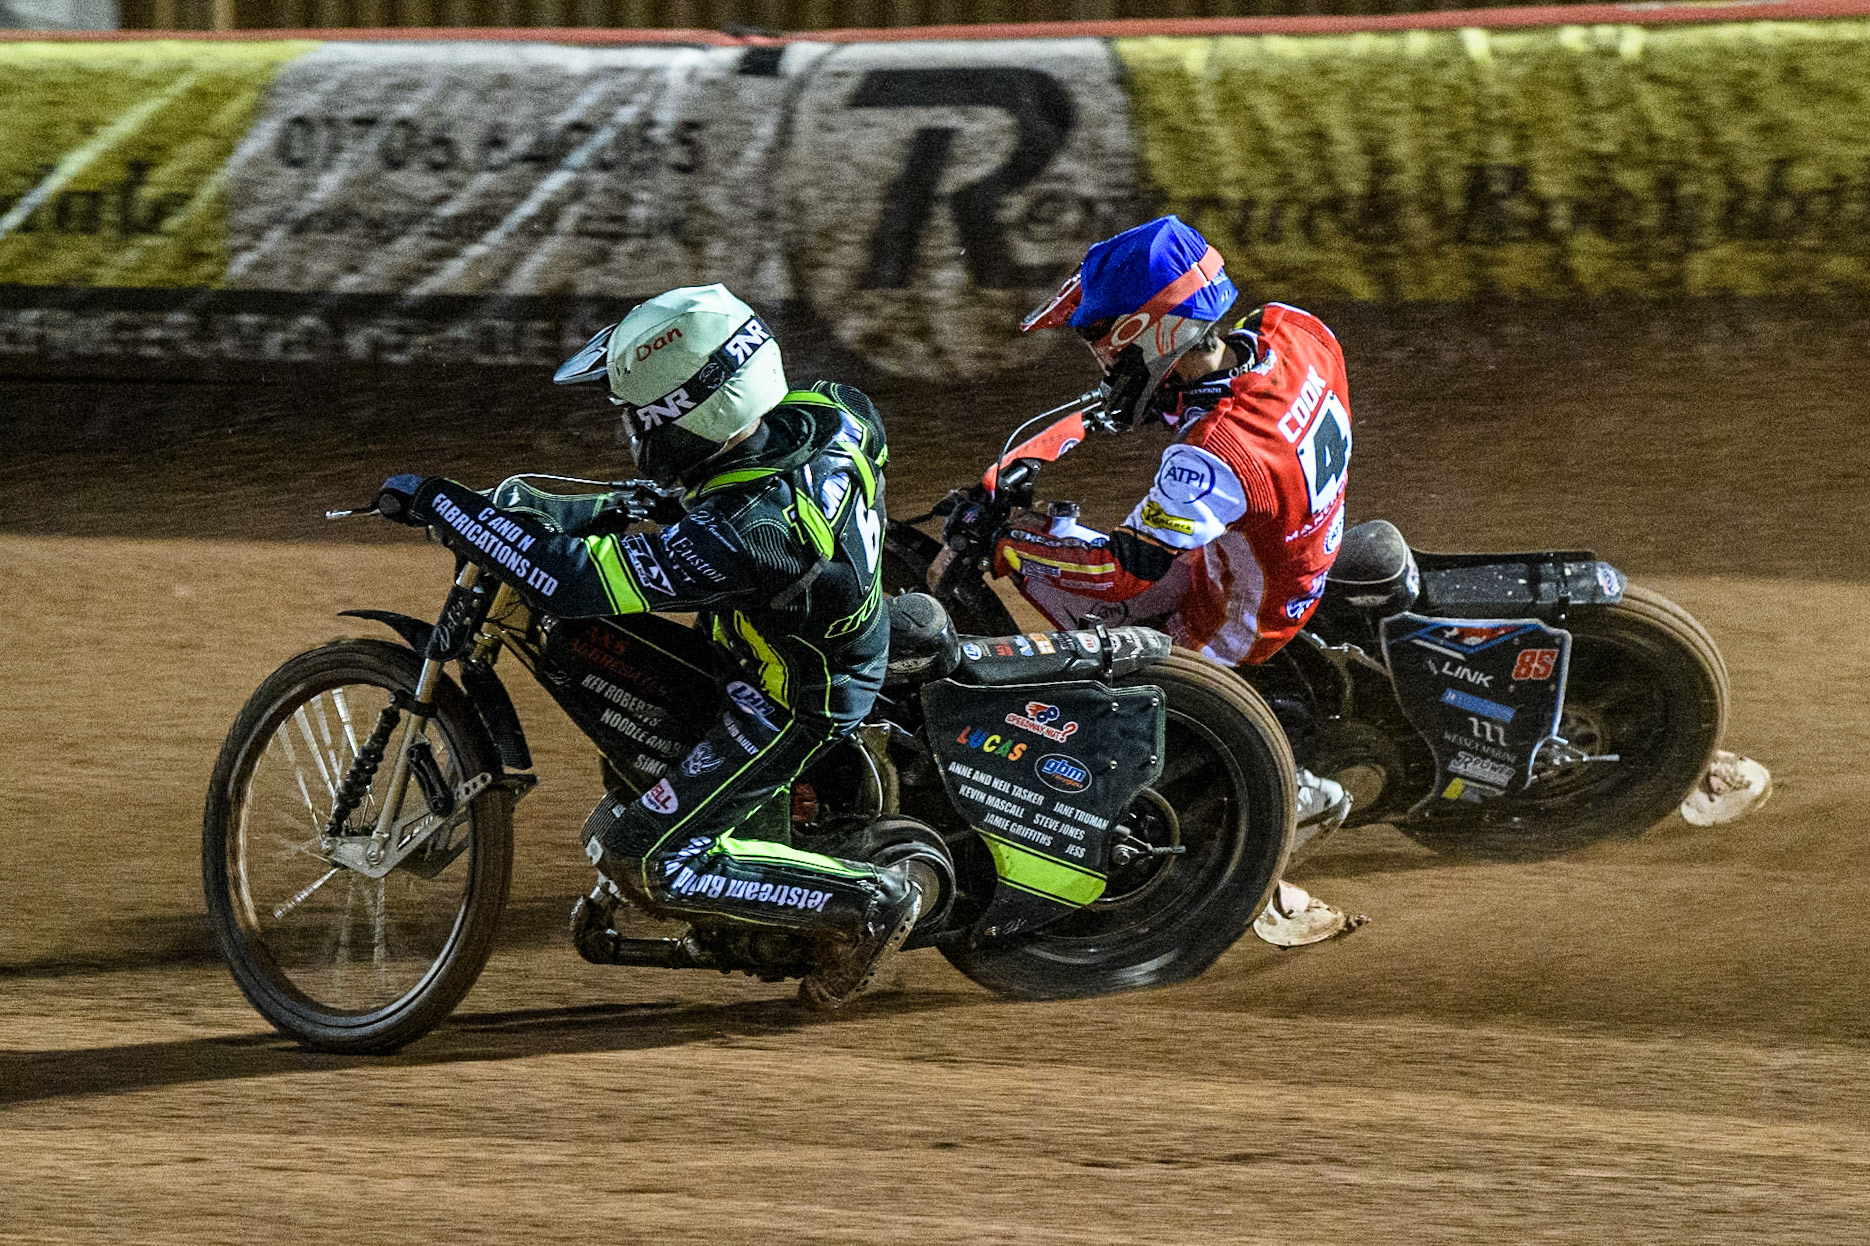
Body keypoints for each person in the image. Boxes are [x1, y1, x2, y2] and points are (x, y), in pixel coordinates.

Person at [373, 284, 920, 1007]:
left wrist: (449, 506)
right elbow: (719, 486)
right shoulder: (832, 410)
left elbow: (573, 584)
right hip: (784, 639)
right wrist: (586, 507)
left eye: (635, 416)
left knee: (647, 858)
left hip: (792, 700)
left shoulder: (749, 532)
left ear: (685, 414)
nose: (629, 431)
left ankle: (873, 901)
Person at [1000, 215, 1364, 947]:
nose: (1100, 358)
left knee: (1102, 688)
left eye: (1103, 338)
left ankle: (1283, 799)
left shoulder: (1212, 459)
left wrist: (1012, 543)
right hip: (1291, 545)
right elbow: (1222, 393)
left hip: (1237, 611)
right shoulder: (1296, 331)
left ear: (1155, 330)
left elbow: (1118, 569)